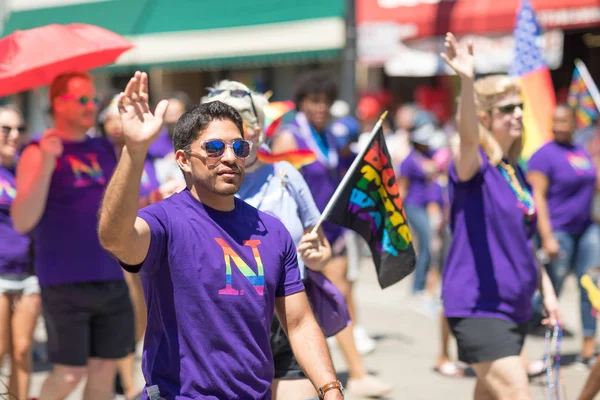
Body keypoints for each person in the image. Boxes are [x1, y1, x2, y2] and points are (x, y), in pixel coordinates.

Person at [97, 71, 344, 400]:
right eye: (213, 148)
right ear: (184, 160)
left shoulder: (272, 230)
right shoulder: (165, 221)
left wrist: (330, 389)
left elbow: (298, 324)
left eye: (238, 147)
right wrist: (134, 150)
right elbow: (115, 238)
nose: (229, 156)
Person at [440, 33, 560, 399]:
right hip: (479, 307)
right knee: (516, 391)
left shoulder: (515, 171)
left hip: (517, 306)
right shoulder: (473, 167)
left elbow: (524, 241)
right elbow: (467, 136)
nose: (519, 114)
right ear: (485, 118)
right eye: (507, 109)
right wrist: (466, 79)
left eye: (519, 105)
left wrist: (549, 292)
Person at [201, 80, 334, 399]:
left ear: (258, 130)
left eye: (243, 123)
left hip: (289, 313)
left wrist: (318, 255)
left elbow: (321, 245)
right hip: (226, 324)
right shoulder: (197, 185)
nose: (234, 135)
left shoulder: (286, 175)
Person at [11, 72, 135, 400]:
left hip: (109, 274)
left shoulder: (103, 147)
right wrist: (47, 165)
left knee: (104, 371)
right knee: (68, 375)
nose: (91, 105)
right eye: (82, 99)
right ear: (57, 104)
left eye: (93, 99)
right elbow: (22, 220)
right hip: (63, 281)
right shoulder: (38, 150)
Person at [271, 70, 392, 397]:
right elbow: (278, 190)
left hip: (335, 232)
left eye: (325, 101)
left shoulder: (332, 136)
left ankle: (326, 371)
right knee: (332, 299)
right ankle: (354, 371)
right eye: (314, 101)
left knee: (339, 297)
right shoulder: (289, 137)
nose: (320, 107)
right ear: (302, 103)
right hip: (305, 237)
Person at [528, 103, 600, 368]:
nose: (559, 125)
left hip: (587, 229)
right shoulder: (543, 156)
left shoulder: (581, 152)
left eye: (564, 121)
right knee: (551, 287)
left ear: (574, 123)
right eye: (554, 120)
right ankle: (535, 341)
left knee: (591, 285)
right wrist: (547, 236)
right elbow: (538, 198)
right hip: (558, 231)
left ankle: (588, 350)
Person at [0, 105, 42, 400]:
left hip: (30, 272)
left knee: (24, 349)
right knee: (1, 350)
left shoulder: (27, 169)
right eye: (6, 129)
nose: (15, 135)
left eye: (20, 129)